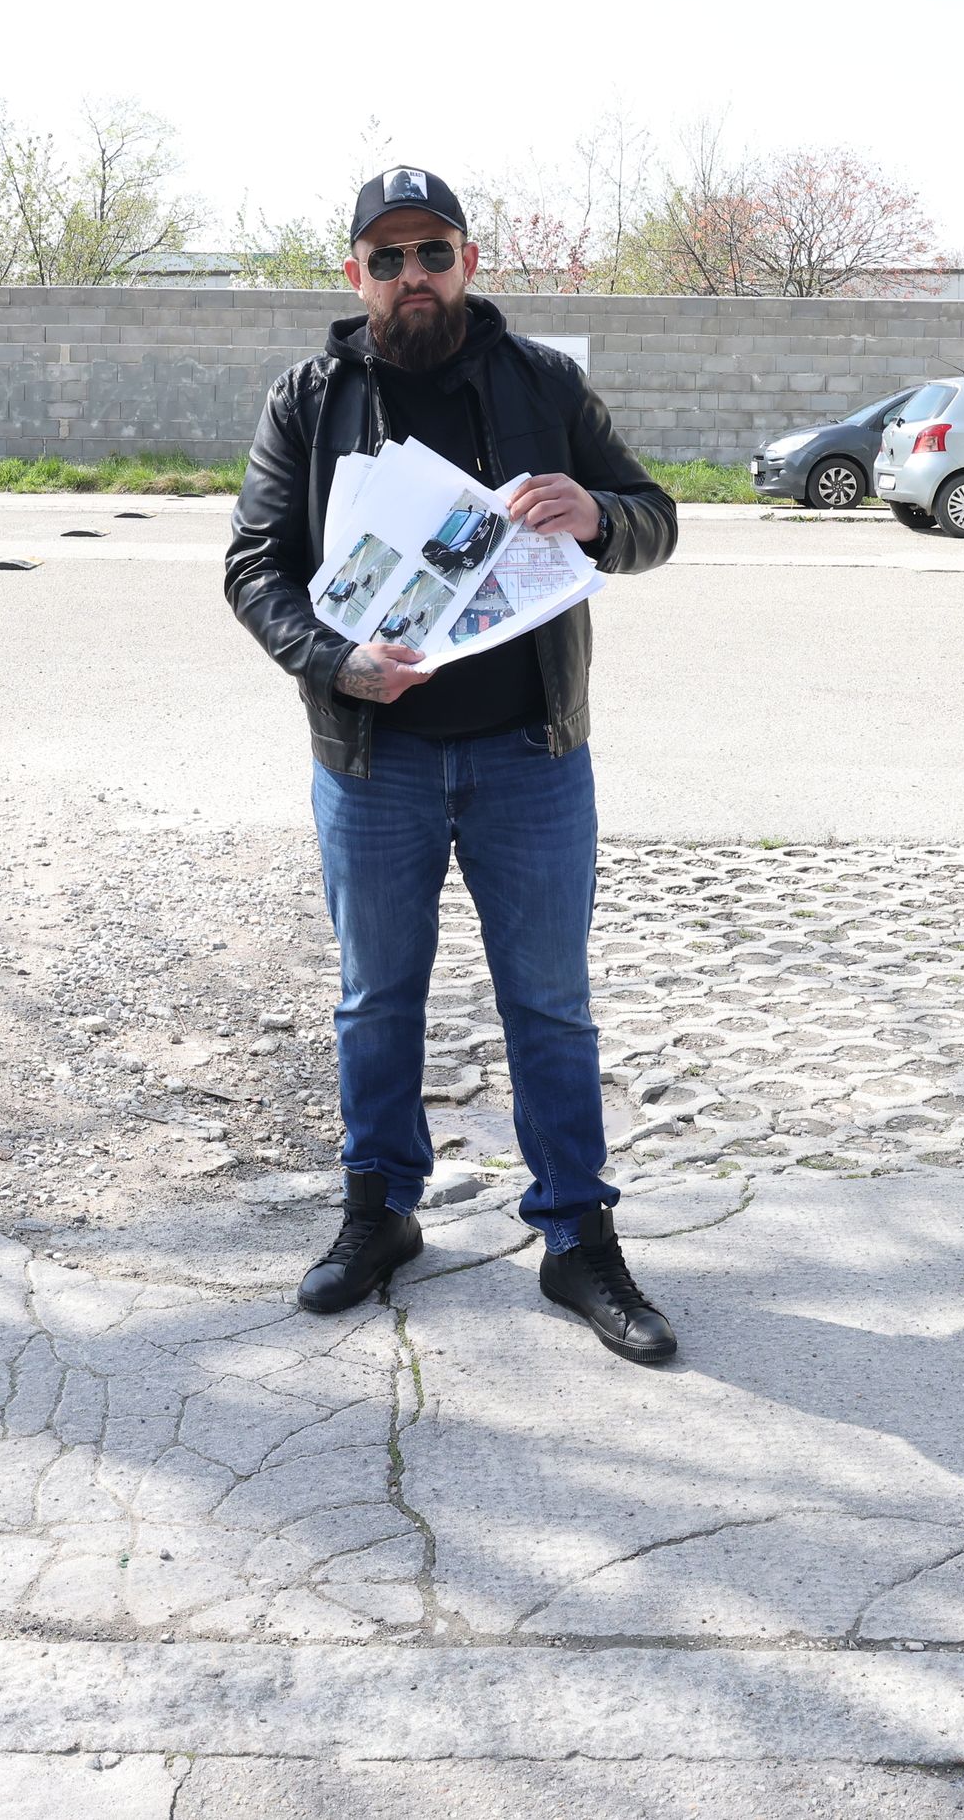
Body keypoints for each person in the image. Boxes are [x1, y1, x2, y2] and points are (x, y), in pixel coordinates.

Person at [221, 165, 684, 1363]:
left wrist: (601, 515)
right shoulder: (309, 399)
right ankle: (380, 1213)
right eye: (388, 258)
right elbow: (254, 568)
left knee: (550, 1004)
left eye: (434, 253)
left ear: (469, 263)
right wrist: (334, 664)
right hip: (375, 760)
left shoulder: (542, 383)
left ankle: (577, 1239)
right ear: (355, 274)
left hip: (531, 755)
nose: (412, 276)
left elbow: (654, 517)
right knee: (376, 1000)